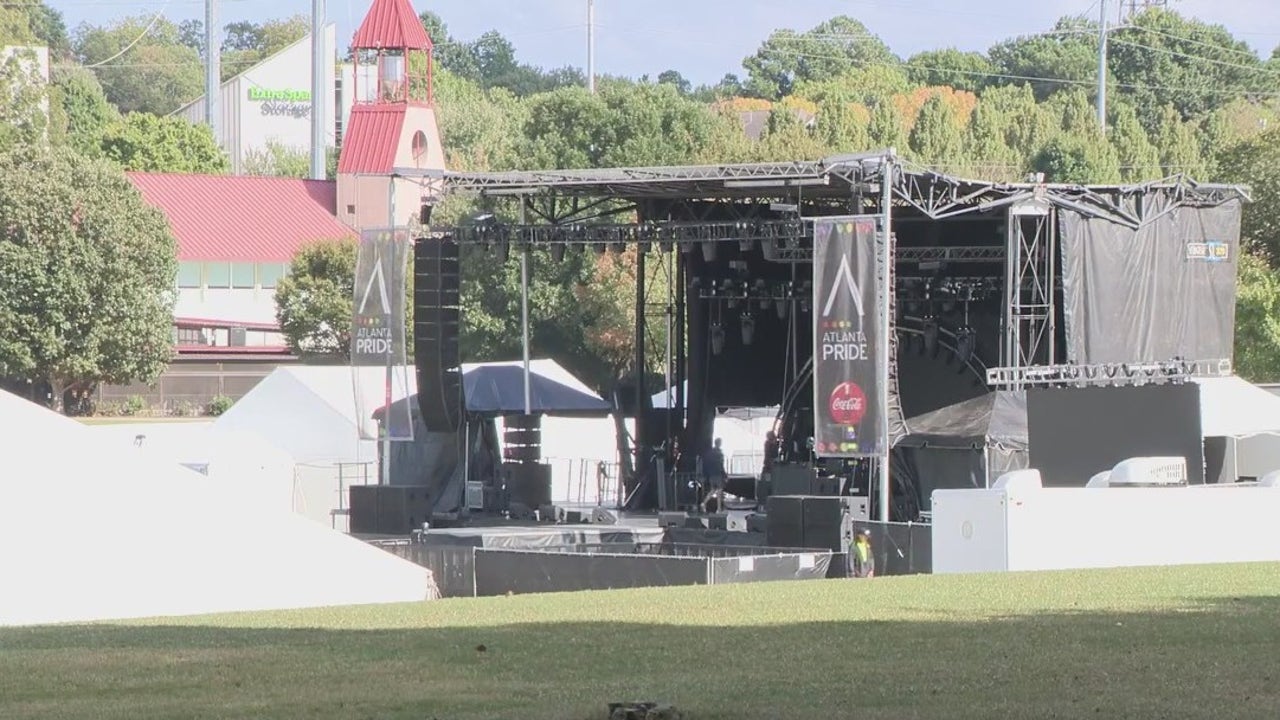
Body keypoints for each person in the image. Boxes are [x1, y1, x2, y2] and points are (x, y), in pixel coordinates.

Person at [701, 438, 726, 513]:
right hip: (718, 474)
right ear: (719, 443)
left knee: (713, 490)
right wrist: (724, 474)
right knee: (719, 491)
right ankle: (719, 509)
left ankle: (704, 503)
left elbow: (707, 463)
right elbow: (721, 465)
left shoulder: (710, 453)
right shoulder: (720, 453)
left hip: (711, 474)